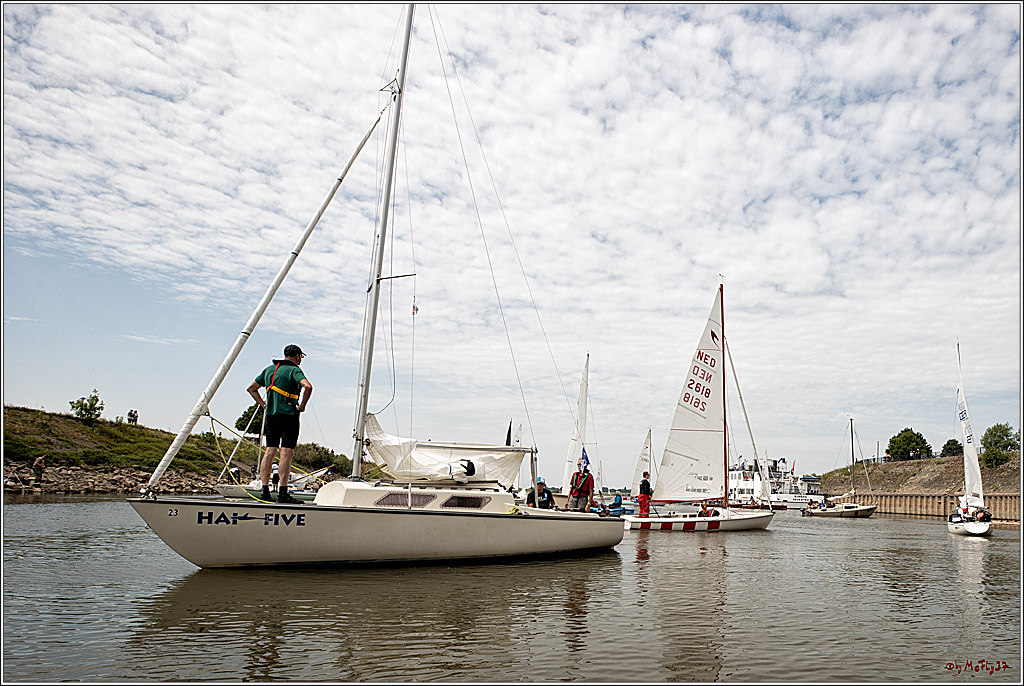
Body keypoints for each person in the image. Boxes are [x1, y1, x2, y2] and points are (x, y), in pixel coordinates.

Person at [247, 344, 313, 505]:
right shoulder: (294, 370)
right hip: (289, 415)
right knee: (286, 452)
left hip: (271, 416)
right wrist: (302, 407)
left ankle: (264, 492)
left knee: (270, 451)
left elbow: (251, 388)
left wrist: (263, 404)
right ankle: (283, 493)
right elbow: (308, 386)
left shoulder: (269, 370)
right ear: (297, 356)